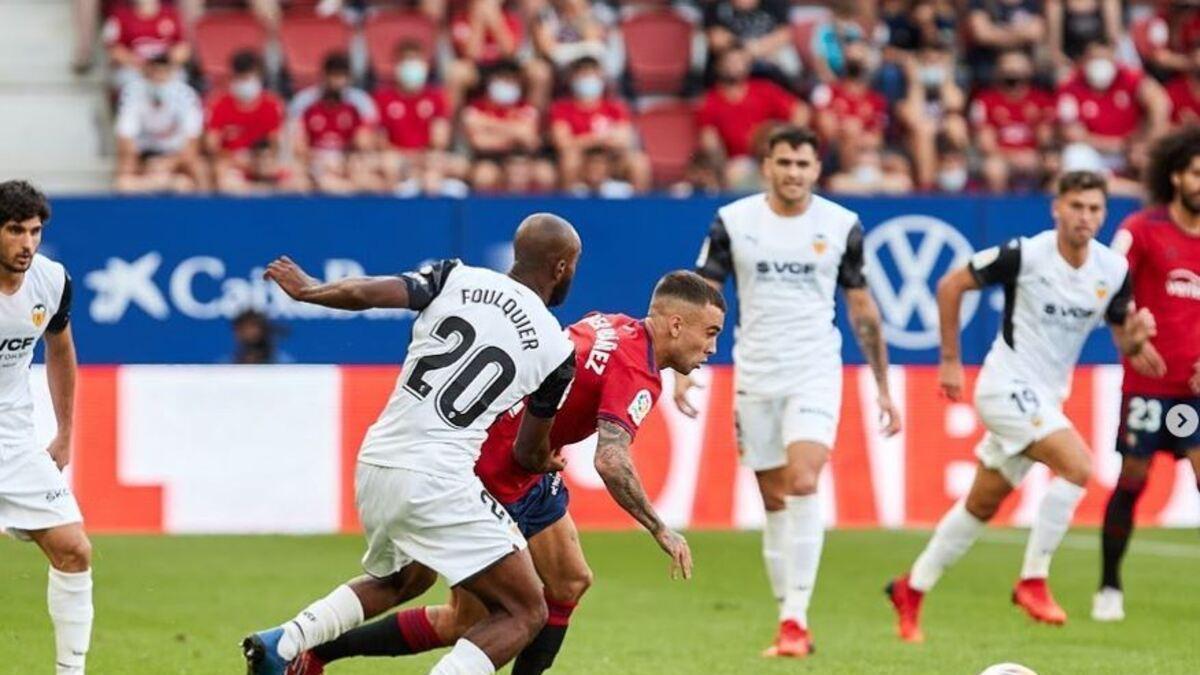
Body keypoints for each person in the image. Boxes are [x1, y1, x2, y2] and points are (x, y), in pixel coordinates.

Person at [285, 271, 726, 675]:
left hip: (528, 463)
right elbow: (611, 459)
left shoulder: (614, 324)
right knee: (466, 619)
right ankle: (316, 652)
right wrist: (659, 528)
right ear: (674, 325)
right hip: (496, 468)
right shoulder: (637, 372)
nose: (712, 347)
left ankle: (311, 650)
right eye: (709, 333)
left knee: (569, 580)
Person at [242, 213, 582, 675]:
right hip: (437, 476)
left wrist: (308, 290)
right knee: (526, 610)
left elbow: (367, 292)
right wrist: (547, 461)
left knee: (401, 580)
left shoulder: (456, 277)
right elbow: (527, 452)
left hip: (378, 461)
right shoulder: (557, 351)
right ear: (561, 267)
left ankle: (283, 643)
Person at [886, 170, 1157, 642]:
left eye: (1094, 209)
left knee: (981, 504)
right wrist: (950, 361)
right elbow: (951, 285)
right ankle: (1032, 579)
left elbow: (1120, 336)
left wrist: (1134, 343)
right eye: (1076, 206)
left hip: (1047, 397)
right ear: (1057, 208)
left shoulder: (1112, 270)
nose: (1085, 217)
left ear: (1104, 213)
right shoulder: (1026, 253)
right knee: (1077, 465)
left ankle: (912, 587)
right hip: (1005, 385)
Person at [680, 125, 903, 658]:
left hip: (814, 369)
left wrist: (882, 387)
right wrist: (686, 365)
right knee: (773, 499)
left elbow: (863, 309)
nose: (794, 174)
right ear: (767, 165)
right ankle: (788, 616)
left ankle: (795, 620)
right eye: (785, 163)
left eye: (803, 165)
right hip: (755, 372)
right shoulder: (733, 223)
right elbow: (703, 295)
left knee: (804, 481)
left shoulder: (841, 224)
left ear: (816, 169)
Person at [1094, 127, 1200, 622]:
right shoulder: (1142, 228)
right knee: (1134, 478)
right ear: (1177, 176)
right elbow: (1107, 281)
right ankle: (1109, 585)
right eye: (1197, 173)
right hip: (1148, 388)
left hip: (1191, 395)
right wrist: (1129, 335)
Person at [0, 180, 92, 674]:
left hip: (11, 435)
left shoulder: (52, 280)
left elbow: (60, 350)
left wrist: (64, 433)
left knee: (73, 549)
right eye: (15, 230)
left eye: (34, 231)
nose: (27, 243)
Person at [697, 45, 809, 190]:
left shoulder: (764, 90)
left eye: (739, 61)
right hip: (739, 162)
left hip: (773, 156)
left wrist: (788, 141)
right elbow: (709, 141)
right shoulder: (710, 101)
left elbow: (801, 111)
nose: (734, 66)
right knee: (736, 174)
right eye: (729, 61)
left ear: (747, 65)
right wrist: (721, 168)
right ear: (719, 65)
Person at [205, 50, 299, 195]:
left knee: (297, 180)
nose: (245, 83)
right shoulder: (219, 104)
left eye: (248, 77)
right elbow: (212, 145)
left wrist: (260, 161)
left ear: (258, 77)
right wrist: (234, 159)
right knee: (223, 177)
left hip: (263, 160)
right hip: (233, 162)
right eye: (241, 78)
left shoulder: (272, 104)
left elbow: (276, 142)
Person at [114, 55, 207, 194]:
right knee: (126, 166)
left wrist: (169, 163)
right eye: (154, 73)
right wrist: (149, 166)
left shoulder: (186, 95)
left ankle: (204, 209)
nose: (158, 78)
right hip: (144, 155)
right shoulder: (132, 93)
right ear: (147, 73)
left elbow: (192, 143)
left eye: (163, 73)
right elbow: (126, 139)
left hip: (176, 155)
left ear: (172, 73)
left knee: (200, 168)